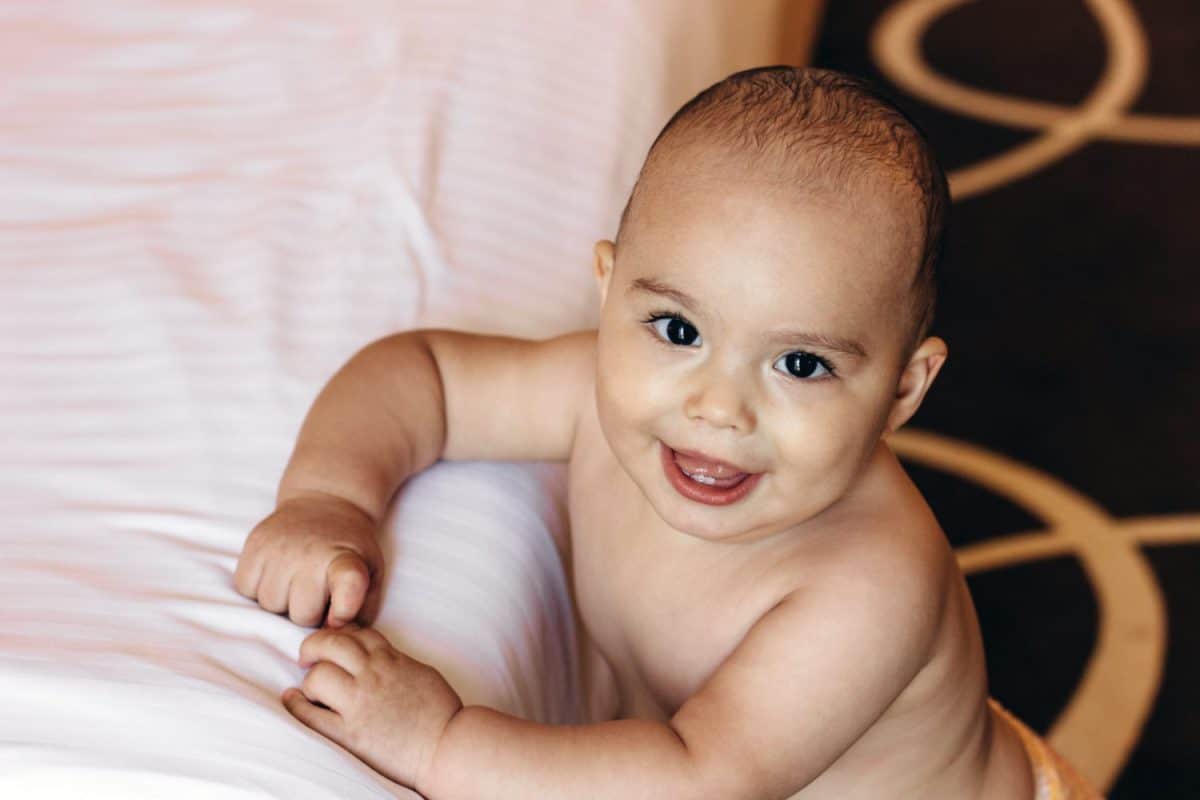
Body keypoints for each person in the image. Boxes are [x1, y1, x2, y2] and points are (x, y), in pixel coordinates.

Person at [234, 66, 1099, 799]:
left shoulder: (869, 586)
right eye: (679, 331)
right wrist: (330, 497)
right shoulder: (592, 391)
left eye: (800, 365)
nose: (719, 408)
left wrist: (439, 743)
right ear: (610, 292)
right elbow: (423, 376)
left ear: (903, 389)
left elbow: (694, 779)